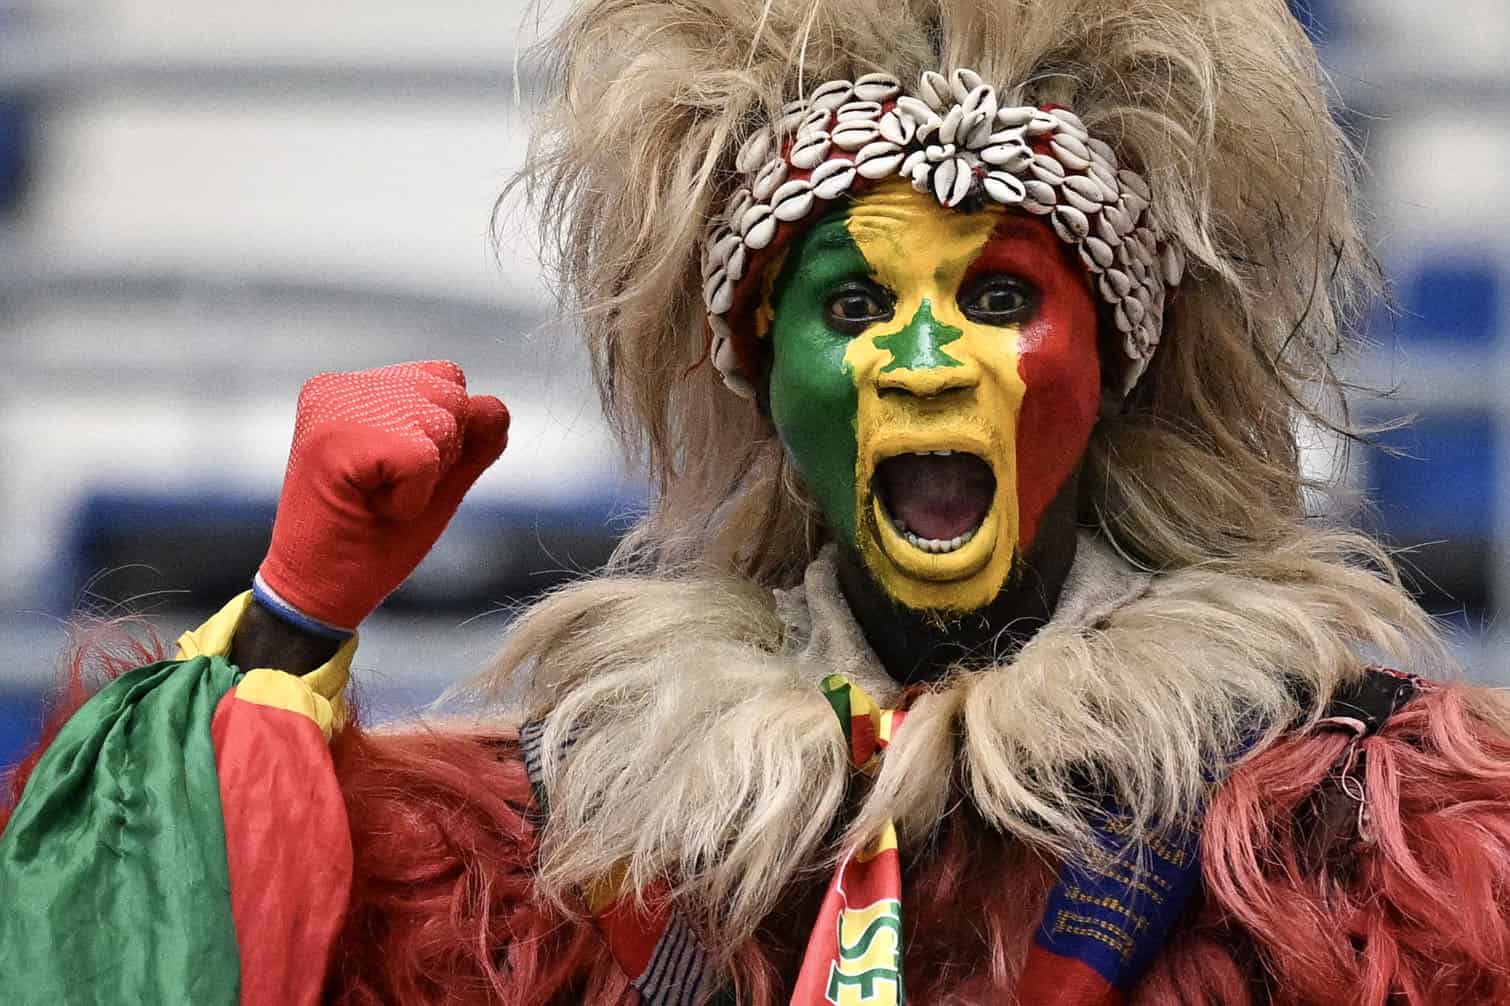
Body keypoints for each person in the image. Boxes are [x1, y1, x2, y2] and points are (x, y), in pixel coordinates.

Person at [6, 0, 1510, 1003]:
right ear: (751, 365)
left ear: (1112, 365)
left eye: (995, 297)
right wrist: (290, 622)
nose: (924, 363)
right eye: (854, 306)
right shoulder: (570, 839)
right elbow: (126, 959)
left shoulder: (1350, 825)